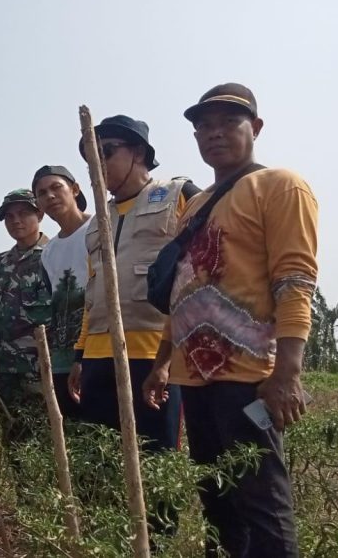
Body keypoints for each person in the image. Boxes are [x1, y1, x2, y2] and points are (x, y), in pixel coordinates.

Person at [143, 83, 316, 557]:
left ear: (255, 128)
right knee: (217, 502)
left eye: (227, 122)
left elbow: (295, 280)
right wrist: (162, 363)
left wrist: (288, 372)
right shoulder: (196, 205)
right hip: (194, 380)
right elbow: (183, 290)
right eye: (204, 126)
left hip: (250, 377)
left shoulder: (280, 185)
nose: (214, 133)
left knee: (263, 505)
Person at [70, 116, 199, 454]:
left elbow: (203, 275)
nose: (97, 166)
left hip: (152, 355)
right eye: (90, 160)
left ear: (139, 152)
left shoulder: (179, 195)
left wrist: (168, 361)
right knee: (99, 462)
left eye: (106, 152)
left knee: (156, 460)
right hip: (97, 359)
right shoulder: (96, 223)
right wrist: (80, 356)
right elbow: (92, 296)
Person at [0, 190, 52, 446]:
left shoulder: (53, 254)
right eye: (9, 216)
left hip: (41, 367)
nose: (16, 221)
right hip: (4, 368)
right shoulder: (0, 263)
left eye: (23, 213)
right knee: (13, 440)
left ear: (40, 214)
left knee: (45, 439)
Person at [32, 165, 91, 419]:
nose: (50, 196)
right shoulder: (49, 251)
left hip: (97, 350)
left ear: (75, 189)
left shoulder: (99, 228)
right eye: (42, 193)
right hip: (62, 357)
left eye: (56, 187)